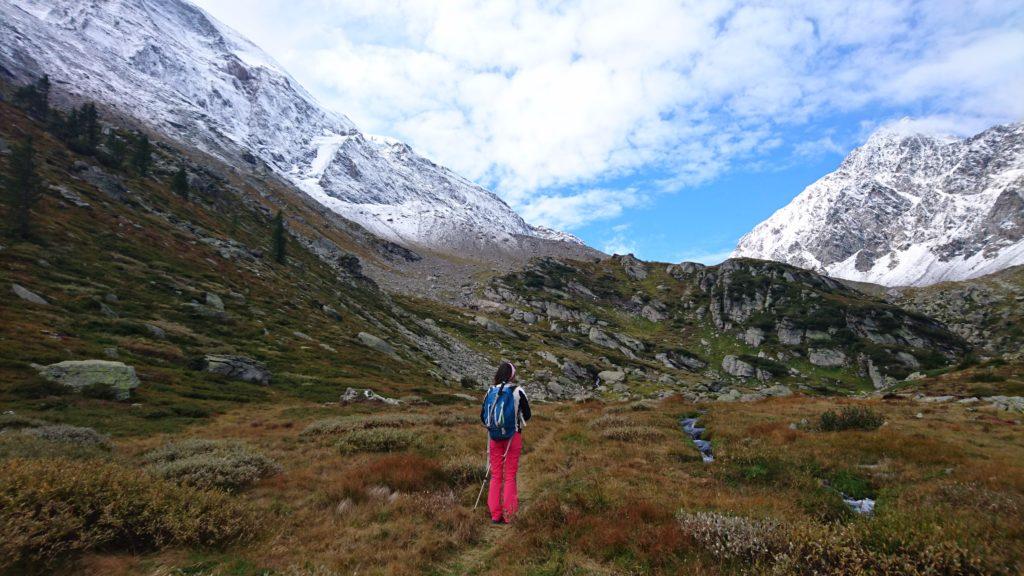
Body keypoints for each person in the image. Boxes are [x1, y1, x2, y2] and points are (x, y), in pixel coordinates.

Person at [480, 361, 531, 524]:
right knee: (510, 476)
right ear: (511, 375)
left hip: (494, 438)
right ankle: (509, 514)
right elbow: (528, 415)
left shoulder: (489, 392)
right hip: (512, 437)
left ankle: (495, 514)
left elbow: (483, 417)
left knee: (496, 475)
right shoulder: (517, 390)